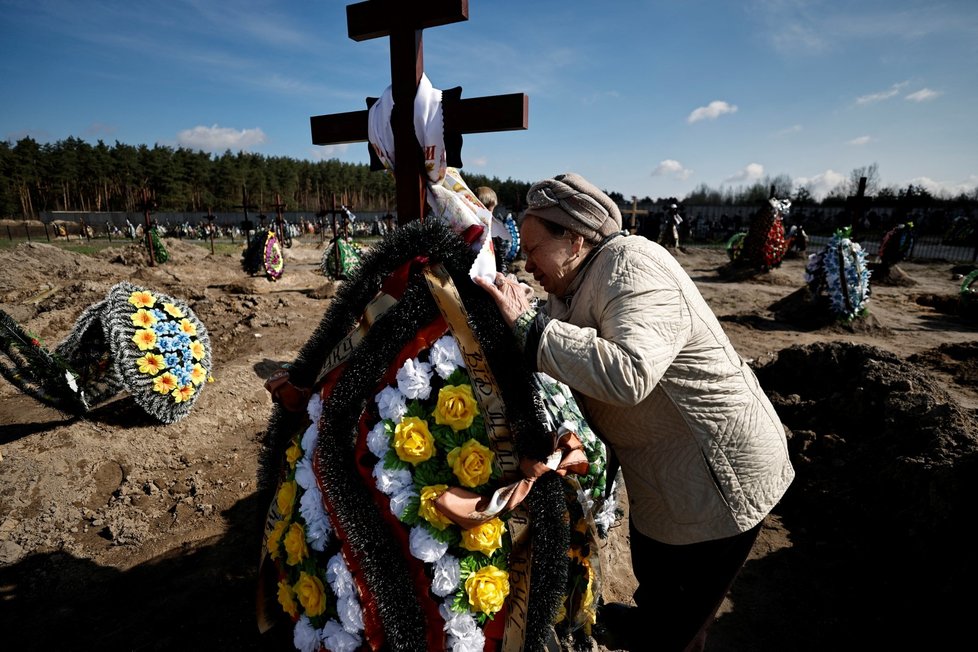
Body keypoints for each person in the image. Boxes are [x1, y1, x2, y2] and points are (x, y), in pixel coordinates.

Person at [475, 172, 795, 652]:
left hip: (719, 477)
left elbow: (629, 371)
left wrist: (532, 329)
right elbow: (563, 360)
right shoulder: (574, 286)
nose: (527, 261)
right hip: (667, 476)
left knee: (684, 617)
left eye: (535, 247)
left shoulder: (633, 265)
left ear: (575, 239)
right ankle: (654, 624)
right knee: (659, 578)